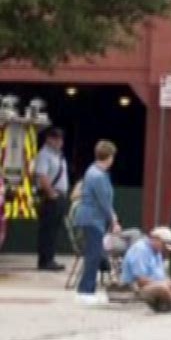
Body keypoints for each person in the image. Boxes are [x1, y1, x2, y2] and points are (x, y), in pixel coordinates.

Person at [71, 139, 119, 306]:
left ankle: (86, 290)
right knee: (93, 256)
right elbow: (104, 201)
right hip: (93, 220)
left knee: (93, 255)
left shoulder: (93, 171)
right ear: (110, 156)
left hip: (92, 219)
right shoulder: (98, 175)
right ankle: (85, 291)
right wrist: (114, 219)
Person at [122, 226, 171, 313]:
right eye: (164, 244)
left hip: (156, 284)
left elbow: (162, 275)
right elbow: (141, 281)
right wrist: (163, 284)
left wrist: (170, 283)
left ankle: (168, 305)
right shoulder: (140, 250)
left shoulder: (157, 251)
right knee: (162, 287)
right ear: (156, 239)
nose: (165, 248)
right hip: (139, 287)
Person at [32, 127, 69, 272]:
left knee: (54, 230)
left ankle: (50, 258)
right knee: (47, 230)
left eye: (60, 139)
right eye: (56, 139)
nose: (59, 142)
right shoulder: (44, 155)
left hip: (59, 196)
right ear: (49, 139)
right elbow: (42, 176)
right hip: (50, 197)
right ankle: (45, 260)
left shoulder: (58, 156)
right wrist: (51, 193)